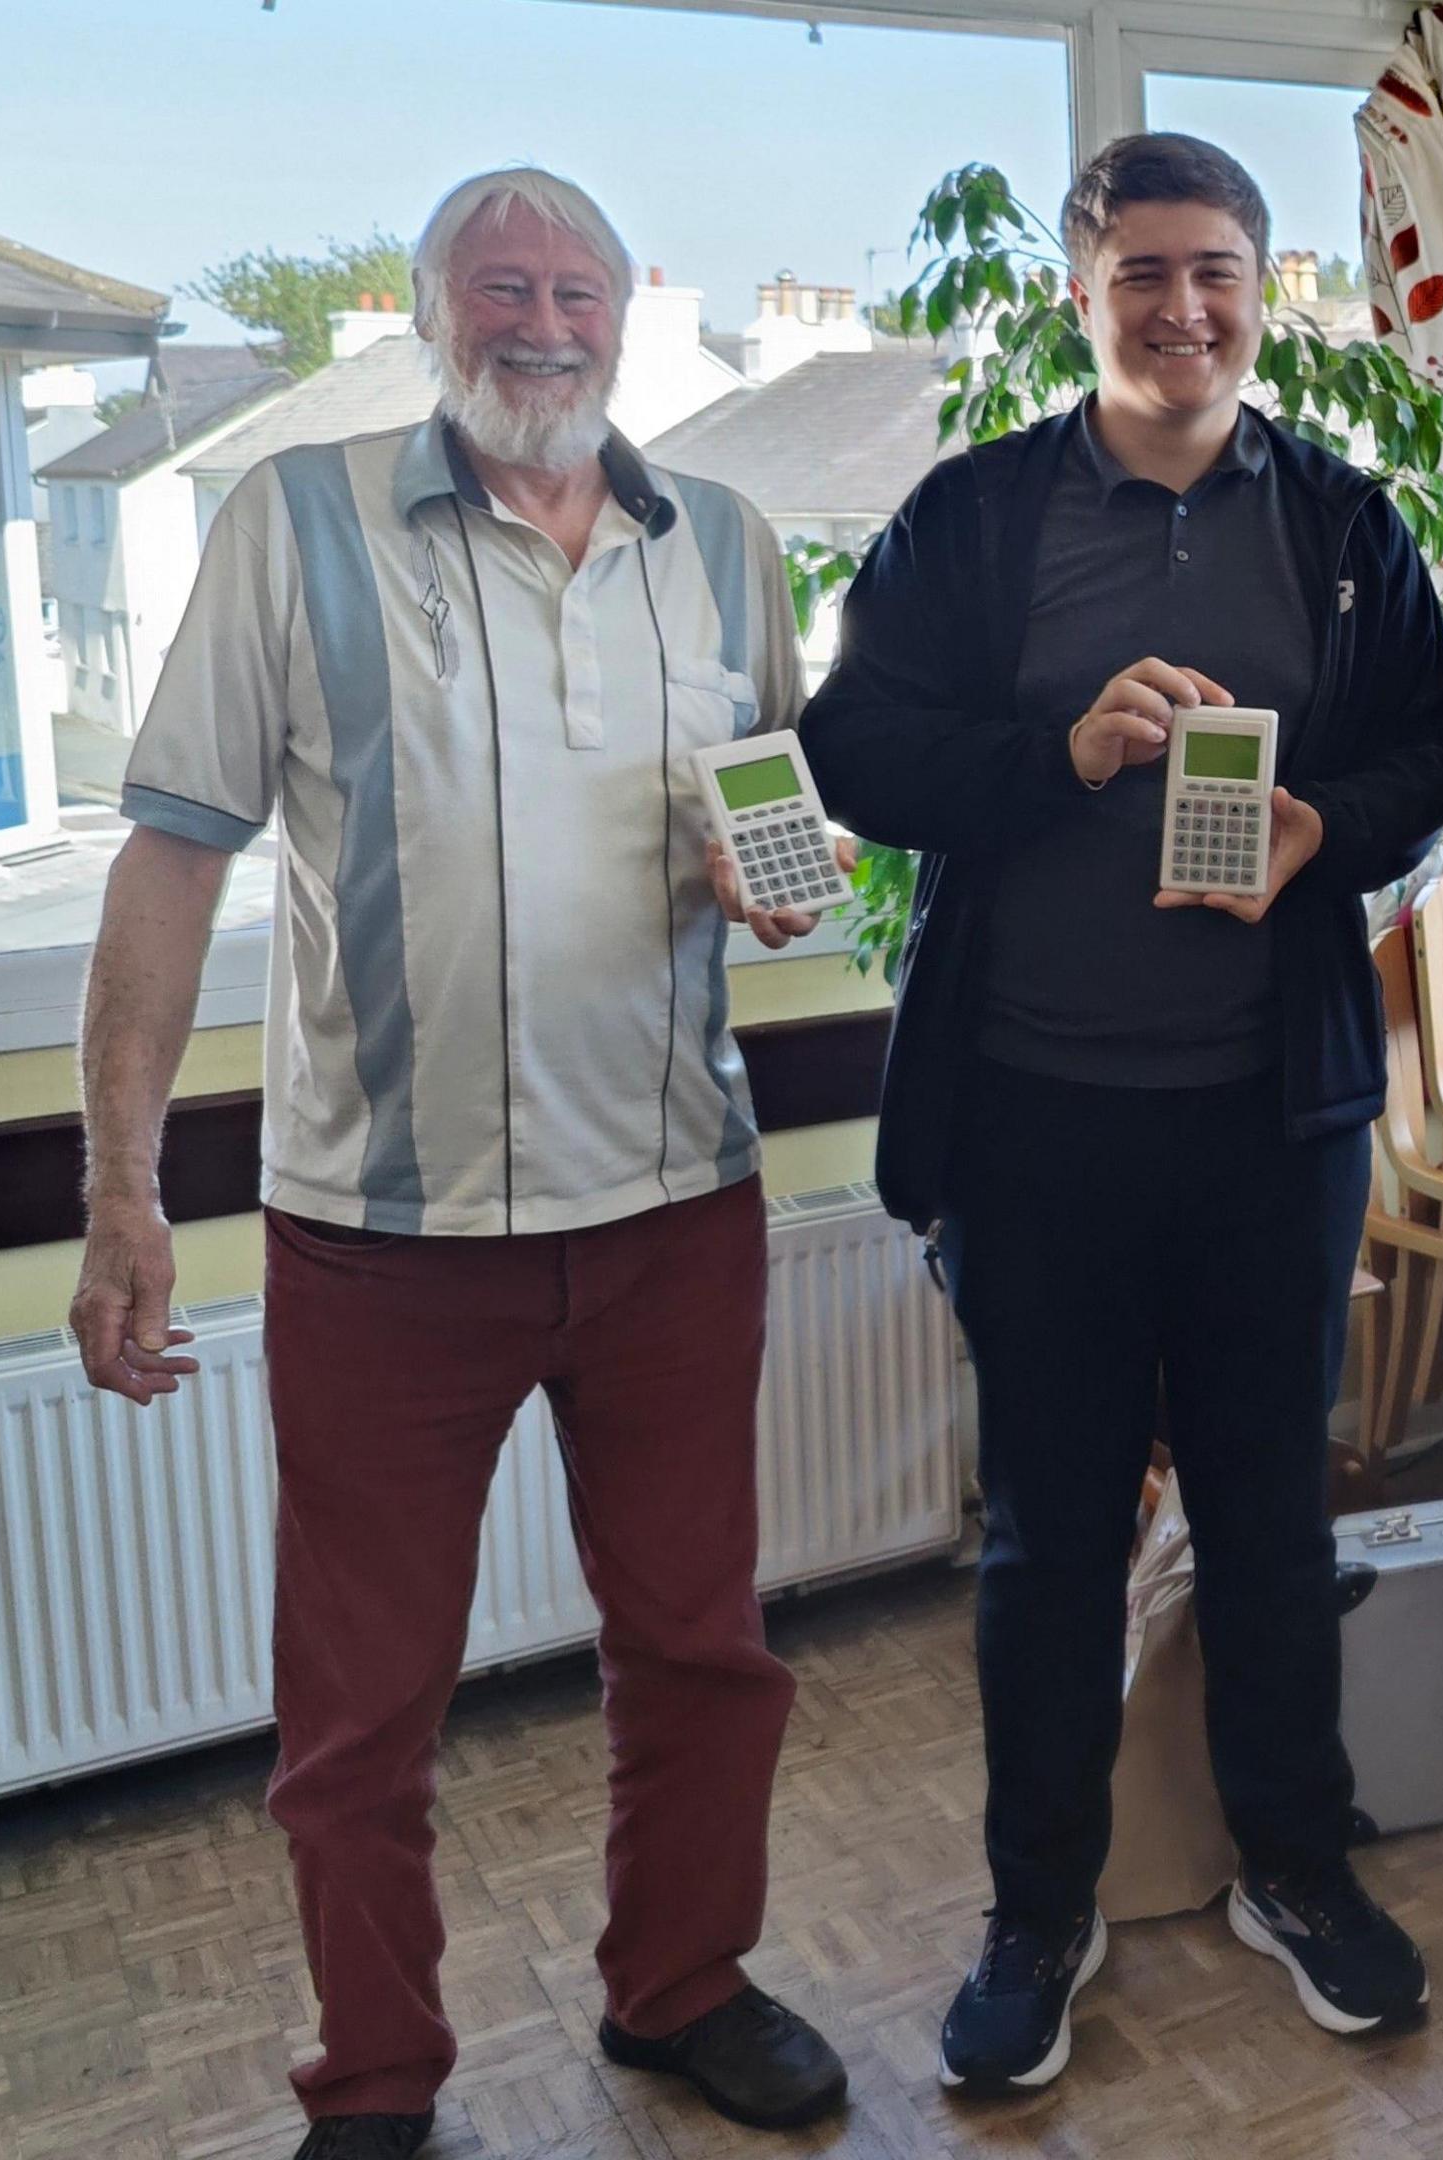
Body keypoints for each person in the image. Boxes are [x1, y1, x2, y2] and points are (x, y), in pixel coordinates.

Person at [68, 168, 848, 2160]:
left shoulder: (730, 545)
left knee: (702, 1653)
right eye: (499, 285)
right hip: (380, 1237)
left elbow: (776, 818)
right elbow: (170, 850)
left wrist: (774, 881)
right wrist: (120, 1183)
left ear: (624, 317)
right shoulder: (295, 524)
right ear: (427, 314)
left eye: (579, 287)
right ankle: (380, 2084)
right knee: (361, 1717)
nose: (545, 319)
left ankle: (679, 1990)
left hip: (678, 1210)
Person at [794, 132, 1443, 2092]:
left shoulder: (1345, 523)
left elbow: (1438, 743)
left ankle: (1296, 1865)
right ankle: (1040, 1906)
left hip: (1271, 1125)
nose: (1185, 310)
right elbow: (855, 751)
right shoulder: (979, 519)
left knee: (1273, 1515)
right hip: (1033, 1126)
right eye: (1145, 273)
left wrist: (1319, 829)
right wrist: (1062, 749)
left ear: (1269, 293)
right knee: (1050, 1538)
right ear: (1082, 290)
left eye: (1219, 273)